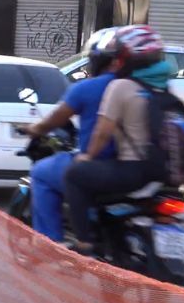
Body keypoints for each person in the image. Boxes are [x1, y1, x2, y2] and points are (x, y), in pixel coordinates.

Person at [64, 25, 173, 255]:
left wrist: (87, 157)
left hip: (134, 170)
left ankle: (83, 243)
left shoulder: (121, 86)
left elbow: (102, 133)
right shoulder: (164, 87)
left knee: (74, 175)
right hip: (166, 173)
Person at [23, 28, 119, 242]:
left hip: (98, 166)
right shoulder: (141, 88)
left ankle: (49, 244)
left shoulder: (88, 88)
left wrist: (34, 129)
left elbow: (55, 119)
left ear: (97, 61)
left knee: (40, 173)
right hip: (138, 169)